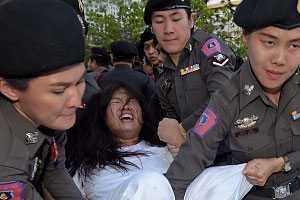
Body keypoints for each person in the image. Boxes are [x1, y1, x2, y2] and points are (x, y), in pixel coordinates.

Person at [165, 0, 300, 199]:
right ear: (245, 36)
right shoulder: (226, 99)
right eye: (269, 42)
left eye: (295, 45)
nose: (280, 59)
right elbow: (191, 159)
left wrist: (281, 163)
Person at [0, 0, 86, 199]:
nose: (75, 101)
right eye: (58, 91)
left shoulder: (50, 118)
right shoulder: (5, 159)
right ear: (9, 89)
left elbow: (54, 172)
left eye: (80, 80)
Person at [143, 0, 237, 156]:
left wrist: (182, 129)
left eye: (176, 19)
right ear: (152, 28)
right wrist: (176, 141)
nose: (168, 29)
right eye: (159, 21)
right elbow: (174, 126)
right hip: (199, 158)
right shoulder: (163, 81)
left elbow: (223, 98)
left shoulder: (208, 49)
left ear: (191, 20)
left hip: (233, 156)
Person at [68, 81, 174, 200]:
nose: (126, 106)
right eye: (116, 101)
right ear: (104, 118)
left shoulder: (165, 151)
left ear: (143, 117)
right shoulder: (87, 162)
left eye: (133, 101)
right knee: (151, 182)